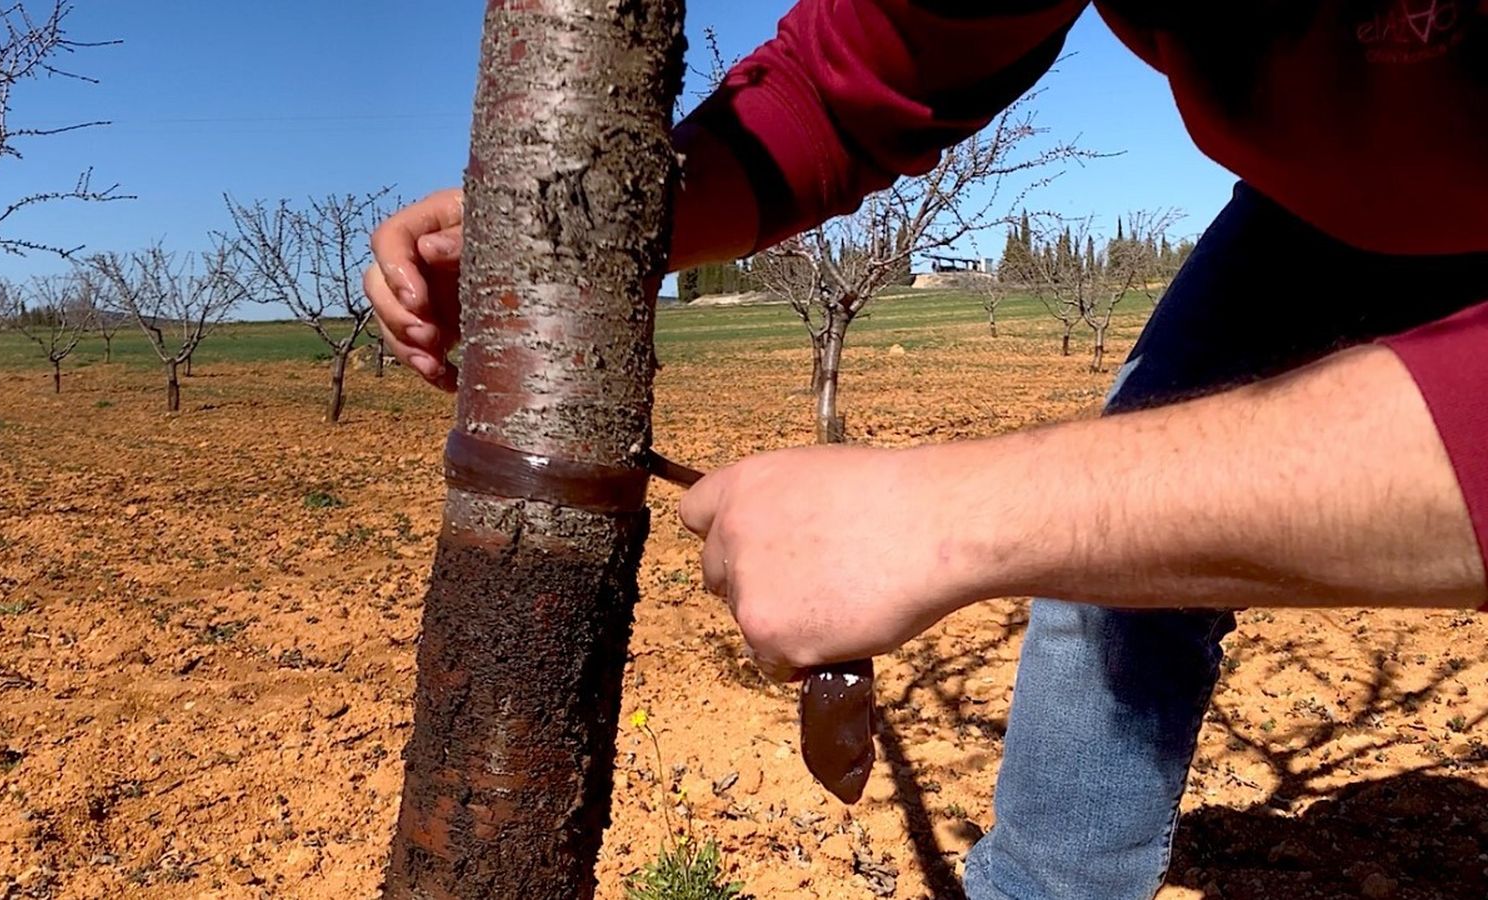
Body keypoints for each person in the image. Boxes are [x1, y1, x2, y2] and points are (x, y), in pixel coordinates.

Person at [367, 3, 1488, 897]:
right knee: (1115, 557)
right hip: (1328, 213)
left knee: (1099, 513)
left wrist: (952, 514)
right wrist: (565, 232)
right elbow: (849, 84)